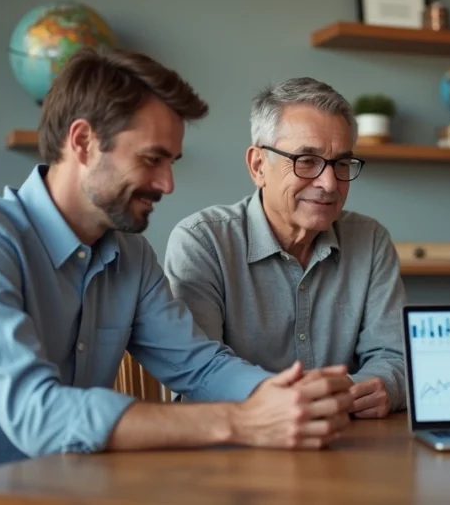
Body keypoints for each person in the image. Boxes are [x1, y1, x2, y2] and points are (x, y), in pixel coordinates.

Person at [0, 48, 354, 484]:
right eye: (152, 159)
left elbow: (198, 366)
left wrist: (285, 399)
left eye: (171, 162)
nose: (167, 184)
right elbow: (40, 416)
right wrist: (243, 420)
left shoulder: (131, 254)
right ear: (83, 142)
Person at [163, 77, 406, 419]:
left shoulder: (370, 239)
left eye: (340, 163)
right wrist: (292, 402)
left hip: (345, 441)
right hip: (233, 450)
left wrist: (385, 384)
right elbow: (199, 371)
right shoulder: (203, 241)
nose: (329, 183)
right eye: (306, 160)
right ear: (258, 166)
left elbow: (394, 357)